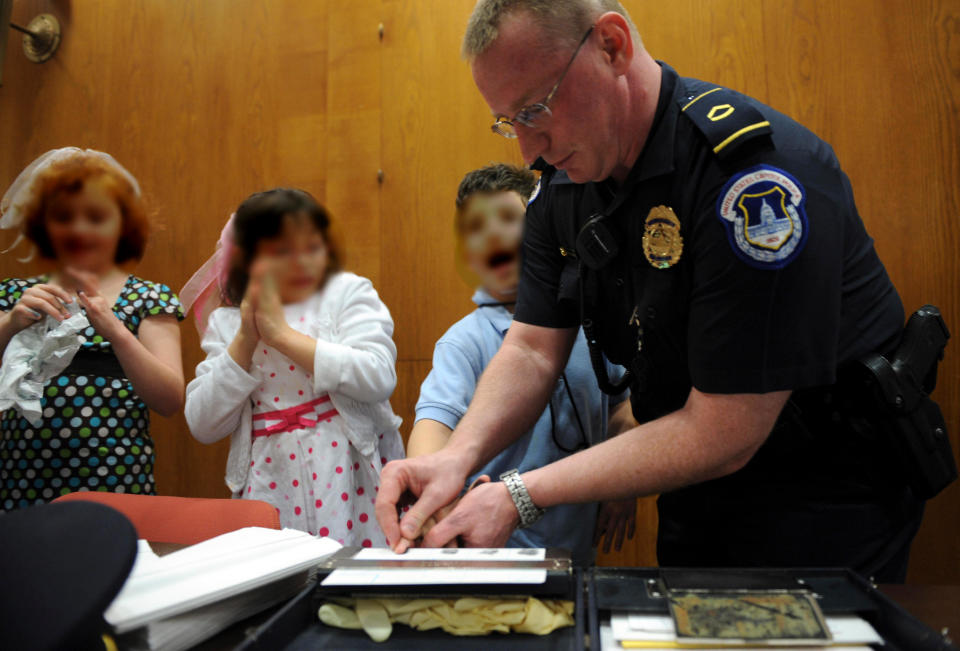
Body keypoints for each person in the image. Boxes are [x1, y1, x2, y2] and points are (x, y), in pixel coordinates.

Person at [376, 0, 927, 581]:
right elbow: (532, 349)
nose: (527, 149)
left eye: (536, 109)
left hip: (823, 498)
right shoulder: (563, 183)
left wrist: (519, 493)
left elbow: (727, 430)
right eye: (509, 121)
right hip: (693, 490)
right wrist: (455, 460)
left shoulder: (748, 177)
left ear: (611, 47)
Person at [409, 163, 636, 564]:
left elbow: (624, 404)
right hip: (493, 553)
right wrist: (429, 486)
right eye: (475, 226)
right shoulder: (464, 341)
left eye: (507, 219)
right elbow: (433, 426)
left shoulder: (590, 321)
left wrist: (624, 483)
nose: (492, 234)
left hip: (578, 552)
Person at [183, 188, 404, 545]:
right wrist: (244, 340)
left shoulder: (346, 292)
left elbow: (378, 376)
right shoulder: (226, 323)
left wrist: (282, 337)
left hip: (346, 474)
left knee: (349, 580)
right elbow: (202, 424)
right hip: (271, 478)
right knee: (281, 581)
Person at [0, 148, 185, 510]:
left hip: (116, 481)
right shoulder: (11, 296)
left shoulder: (148, 297)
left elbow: (169, 401)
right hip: (22, 481)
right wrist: (11, 324)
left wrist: (114, 329)